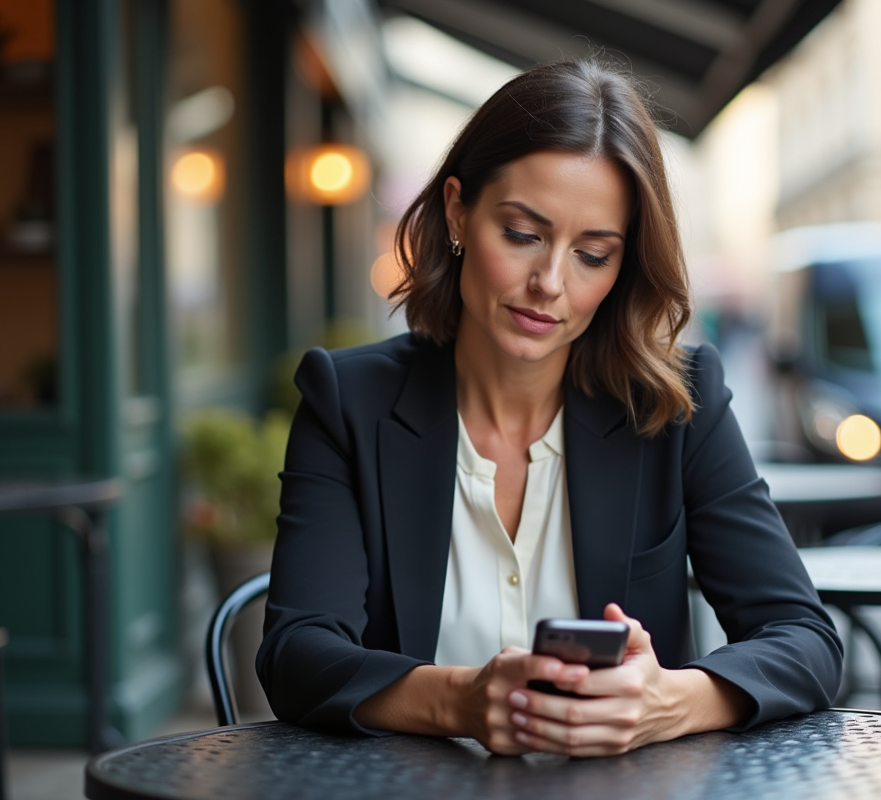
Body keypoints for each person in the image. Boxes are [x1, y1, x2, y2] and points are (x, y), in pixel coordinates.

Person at [258, 59, 842, 757]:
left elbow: (805, 642)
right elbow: (297, 656)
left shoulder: (676, 406)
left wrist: (668, 701)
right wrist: (460, 701)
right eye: (523, 234)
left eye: (593, 254)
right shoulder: (346, 401)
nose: (550, 284)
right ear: (457, 212)